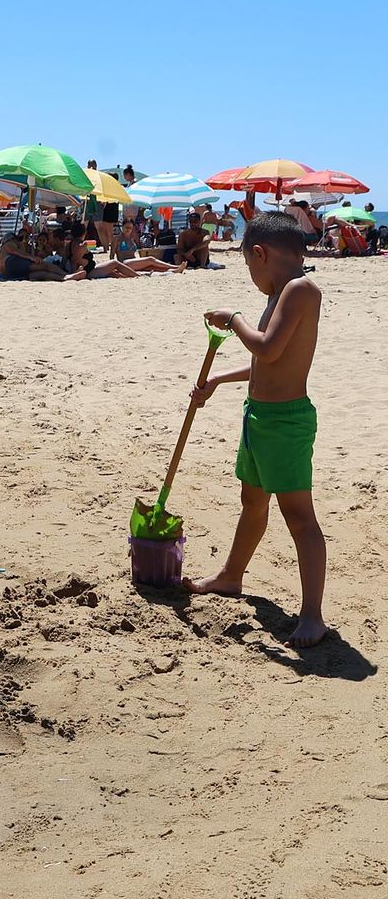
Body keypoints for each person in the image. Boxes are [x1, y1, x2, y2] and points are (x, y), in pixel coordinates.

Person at [185, 212, 327, 648]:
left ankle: (312, 615)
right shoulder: (281, 293)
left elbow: (267, 346)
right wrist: (219, 381)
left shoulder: (301, 291)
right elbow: (266, 363)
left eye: (250, 267)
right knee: (252, 501)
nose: (252, 276)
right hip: (260, 417)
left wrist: (235, 319)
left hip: (286, 423)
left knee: (299, 517)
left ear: (261, 254)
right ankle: (231, 575)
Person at [0, 229, 82, 281]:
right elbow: (15, 251)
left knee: (41, 274)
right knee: (44, 266)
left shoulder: (4, 251)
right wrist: (32, 257)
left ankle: (64, 278)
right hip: (11, 264)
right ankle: (66, 274)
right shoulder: (9, 243)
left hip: (9, 274)